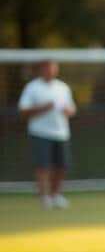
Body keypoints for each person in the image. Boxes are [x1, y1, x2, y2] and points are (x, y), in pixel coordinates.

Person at [17, 60, 76, 209]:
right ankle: (44, 197)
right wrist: (43, 108)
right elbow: (23, 111)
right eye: (48, 68)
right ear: (41, 69)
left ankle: (55, 195)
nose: (51, 71)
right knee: (42, 166)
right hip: (40, 132)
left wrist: (68, 111)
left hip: (61, 133)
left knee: (62, 165)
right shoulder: (32, 87)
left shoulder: (63, 87)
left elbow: (72, 109)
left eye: (54, 68)